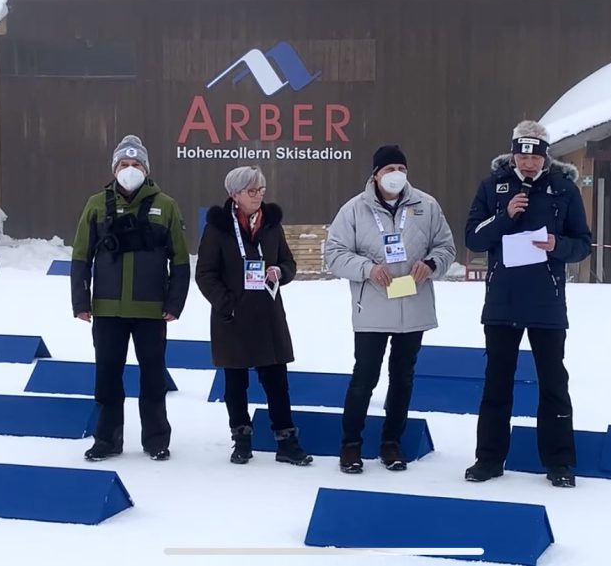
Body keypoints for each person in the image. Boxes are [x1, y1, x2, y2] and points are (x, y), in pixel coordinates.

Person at [463, 120, 591, 488]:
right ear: (513, 154)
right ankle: (488, 460)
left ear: (545, 156)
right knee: (496, 383)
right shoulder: (493, 187)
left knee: (553, 384)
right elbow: (473, 238)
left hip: (546, 303)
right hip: (503, 303)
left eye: (535, 156)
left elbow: (582, 243)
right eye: (522, 154)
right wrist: (506, 216)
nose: (529, 163)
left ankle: (560, 463)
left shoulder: (564, 189)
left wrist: (558, 246)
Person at [325, 145, 456, 474]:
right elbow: (334, 254)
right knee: (364, 378)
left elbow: (446, 247)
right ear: (376, 174)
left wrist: (432, 263)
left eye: (401, 167)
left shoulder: (427, 206)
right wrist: (367, 268)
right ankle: (351, 445)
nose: (395, 174)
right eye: (388, 169)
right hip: (372, 309)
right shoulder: (354, 210)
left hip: (413, 307)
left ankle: (391, 443)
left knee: (403, 379)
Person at [70, 134, 190, 462]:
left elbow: (180, 259)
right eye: (124, 164)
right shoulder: (96, 204)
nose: (130, 169)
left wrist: (174, 303)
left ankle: (156, 439)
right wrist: (81, 301)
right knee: (107, 376)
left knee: (153, 377)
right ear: (114, 168)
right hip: (107, 309)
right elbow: (81, 256)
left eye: (136, 164)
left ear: (146, 169)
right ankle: (107, 439)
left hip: (152, 311)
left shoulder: (166, 205)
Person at [195, 165, 312, 466]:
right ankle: (241, 440)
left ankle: (287, 442)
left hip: (268, 314)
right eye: (251, 190)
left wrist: (280, 272)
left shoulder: (271, 224)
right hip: (232, 317)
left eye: (261, 189)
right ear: (234, 194)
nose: (258, 195)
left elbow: (289, 262)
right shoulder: (218, 227)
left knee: (277, 381)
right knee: (236, 383)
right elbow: (205, 273)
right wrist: (227, 303)